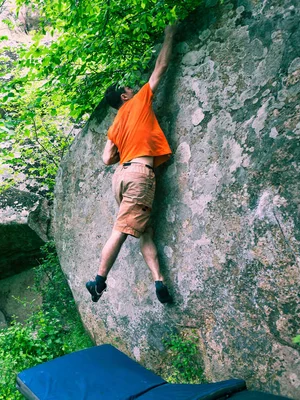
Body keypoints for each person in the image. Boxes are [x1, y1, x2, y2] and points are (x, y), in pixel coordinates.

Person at [86, 24, 177, 304]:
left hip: (121, 177)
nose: (133, 87)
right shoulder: (139, 101)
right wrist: (170, 34)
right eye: (128, 87)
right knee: (122, 230)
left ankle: (159, 282)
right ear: (125, 96)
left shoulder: (115, 122)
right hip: (139, 174)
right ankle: (99, 282)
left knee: (144, 230)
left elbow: (106, 159)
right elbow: (161, 66)